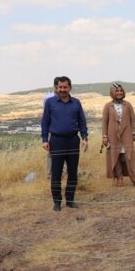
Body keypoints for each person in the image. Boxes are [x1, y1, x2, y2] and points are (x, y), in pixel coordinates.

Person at [40, 76, 88, 210]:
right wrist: (44, 140)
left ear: (70, 88)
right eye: (60, 87)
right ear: (56, 88)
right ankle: (57, 202)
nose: (62, 90)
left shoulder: (76, 103)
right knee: (56, 173)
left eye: (65, 87)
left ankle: (70, 200)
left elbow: (82, 122)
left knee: (73, 173)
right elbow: (45, 122)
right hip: (56, 141)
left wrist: (84, 138)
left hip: (73, 140)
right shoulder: (50, 102)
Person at [101, 82, 135, 186]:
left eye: (121, 91)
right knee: (116, 155)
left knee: (128, 156)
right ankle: (119, 178)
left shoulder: (127, 105)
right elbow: (104, 122)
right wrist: (104, 136)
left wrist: (133, 132)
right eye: (117, 91)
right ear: (112, 92)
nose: (119, 92)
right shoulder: (108, 106)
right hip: (112, 135)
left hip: (126, 134)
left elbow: (133, 120)